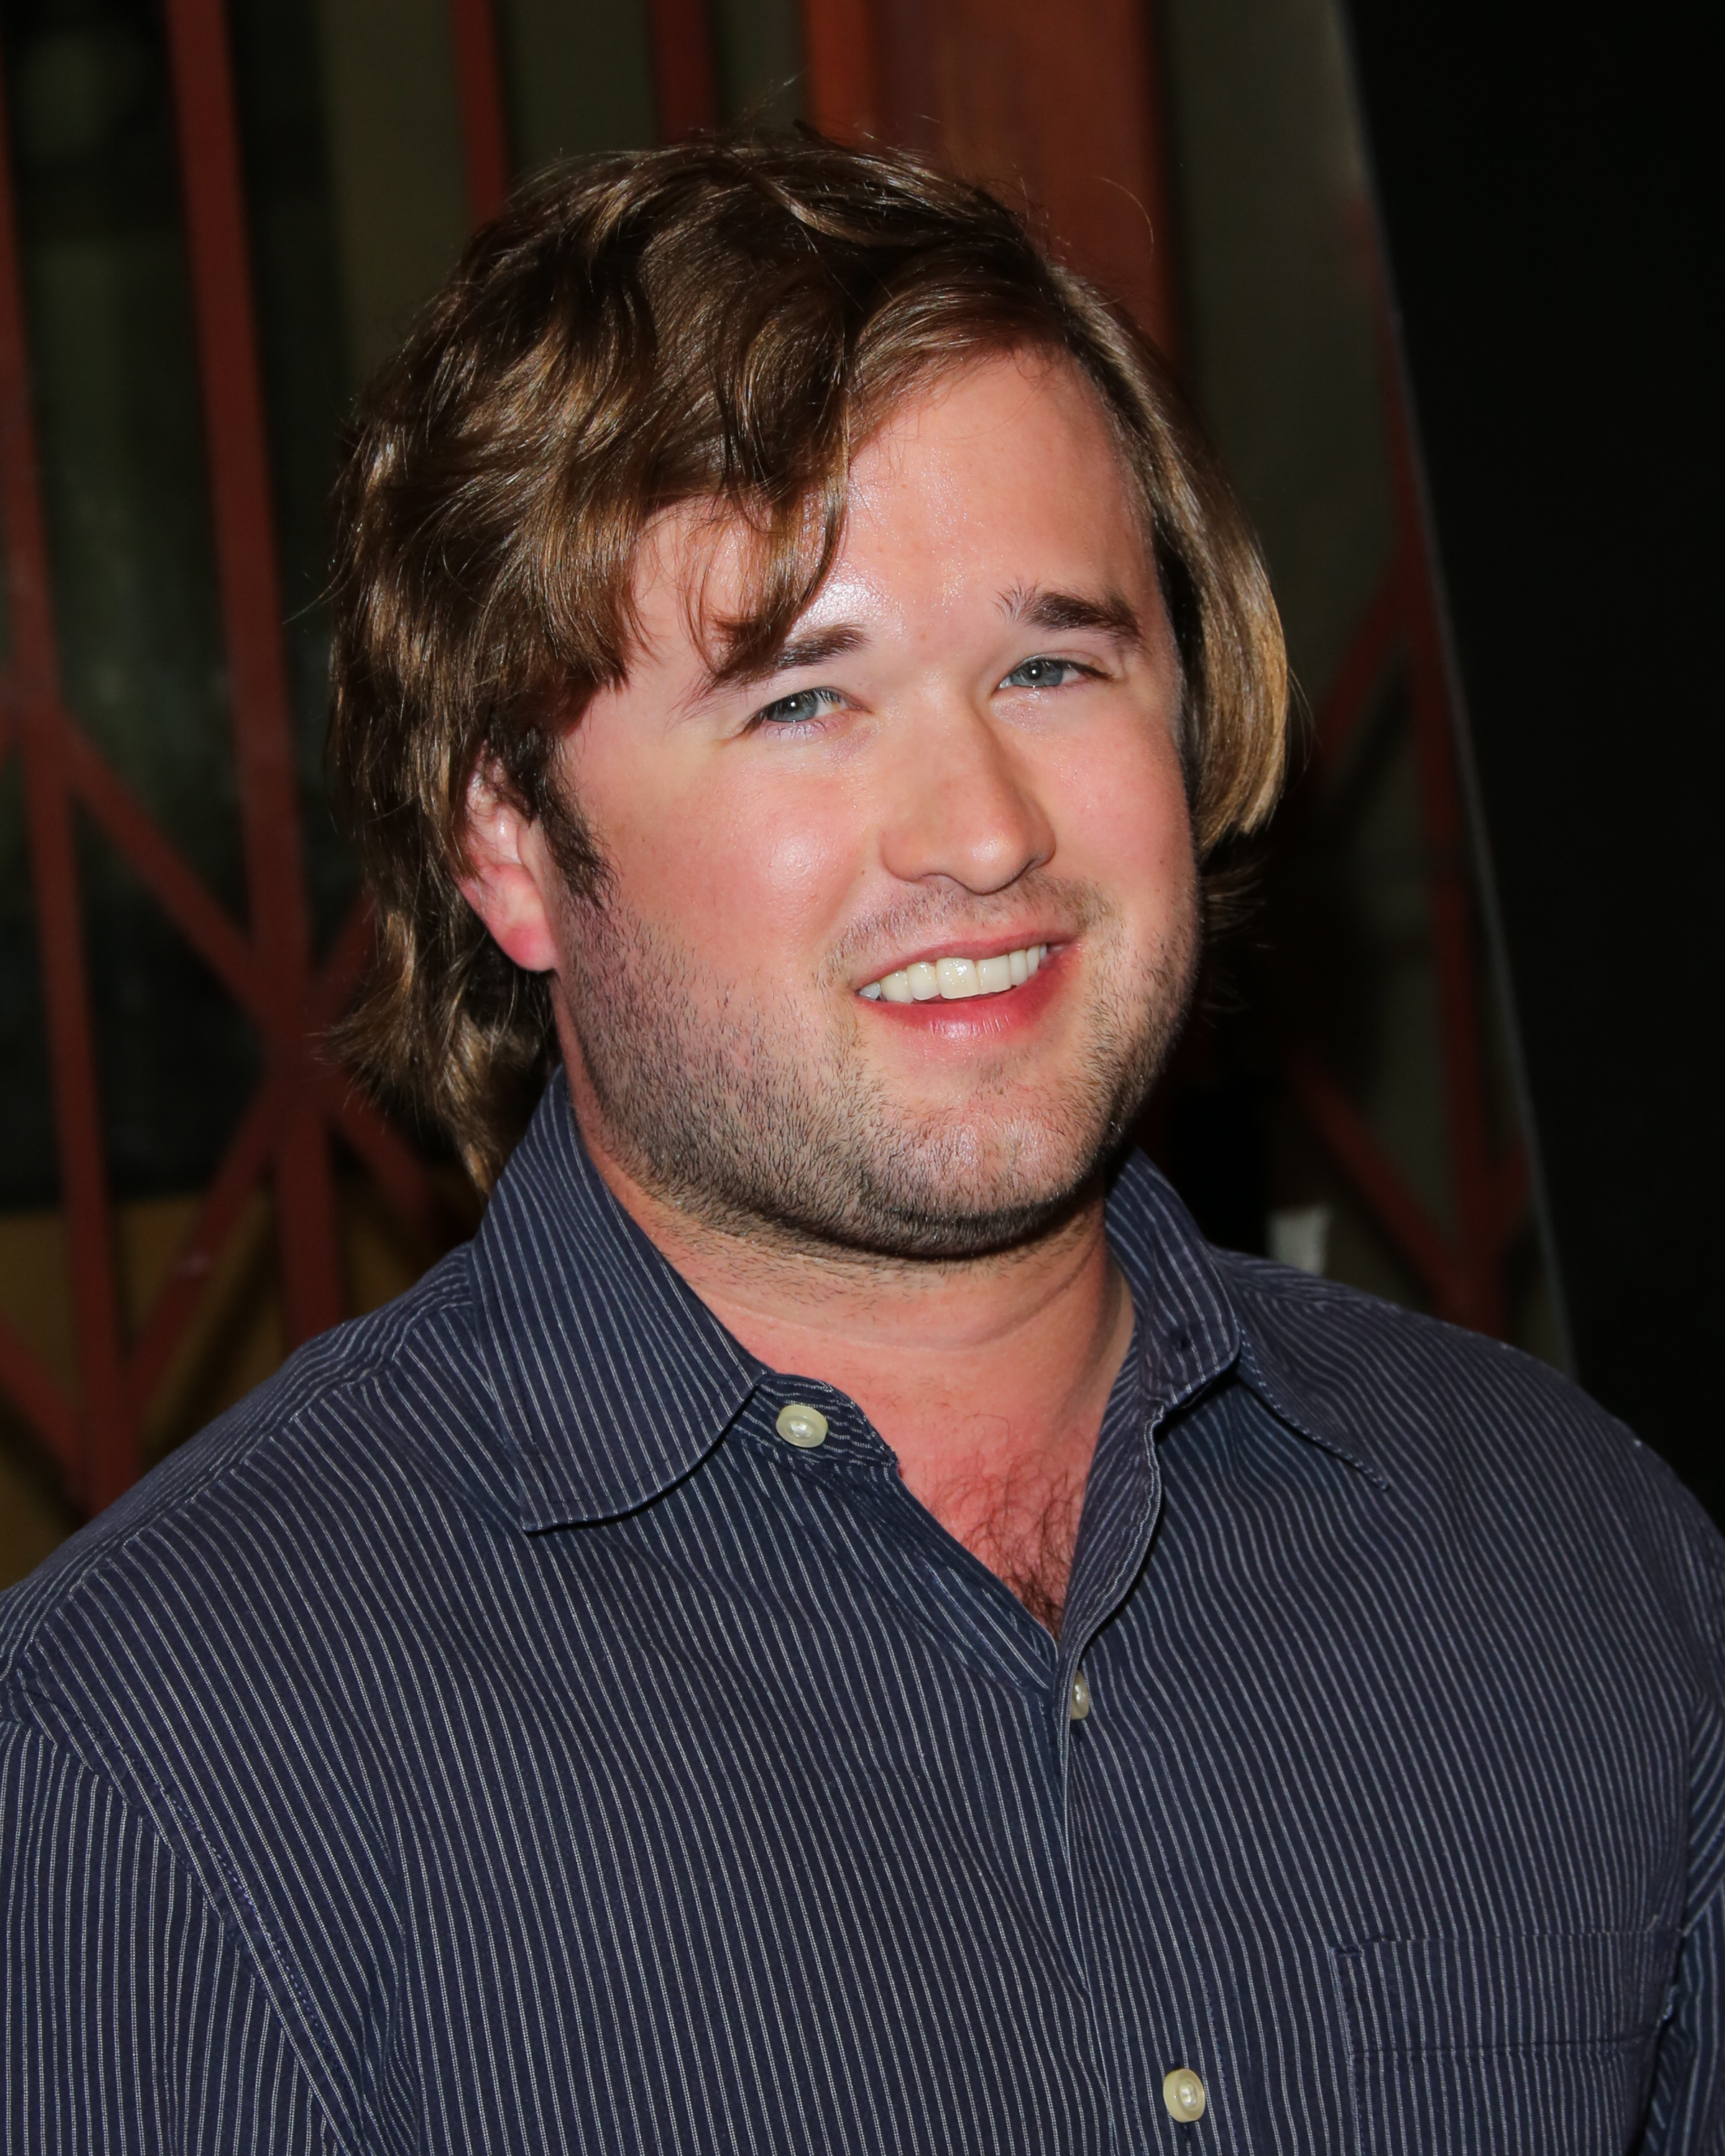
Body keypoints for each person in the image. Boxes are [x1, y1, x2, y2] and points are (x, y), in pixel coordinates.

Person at [1, 138, 1719, 2155]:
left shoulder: (1570, 1560)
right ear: (510, 844)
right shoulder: (166, 1764)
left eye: (1054, 664)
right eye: (805, 702)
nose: (983, 829)